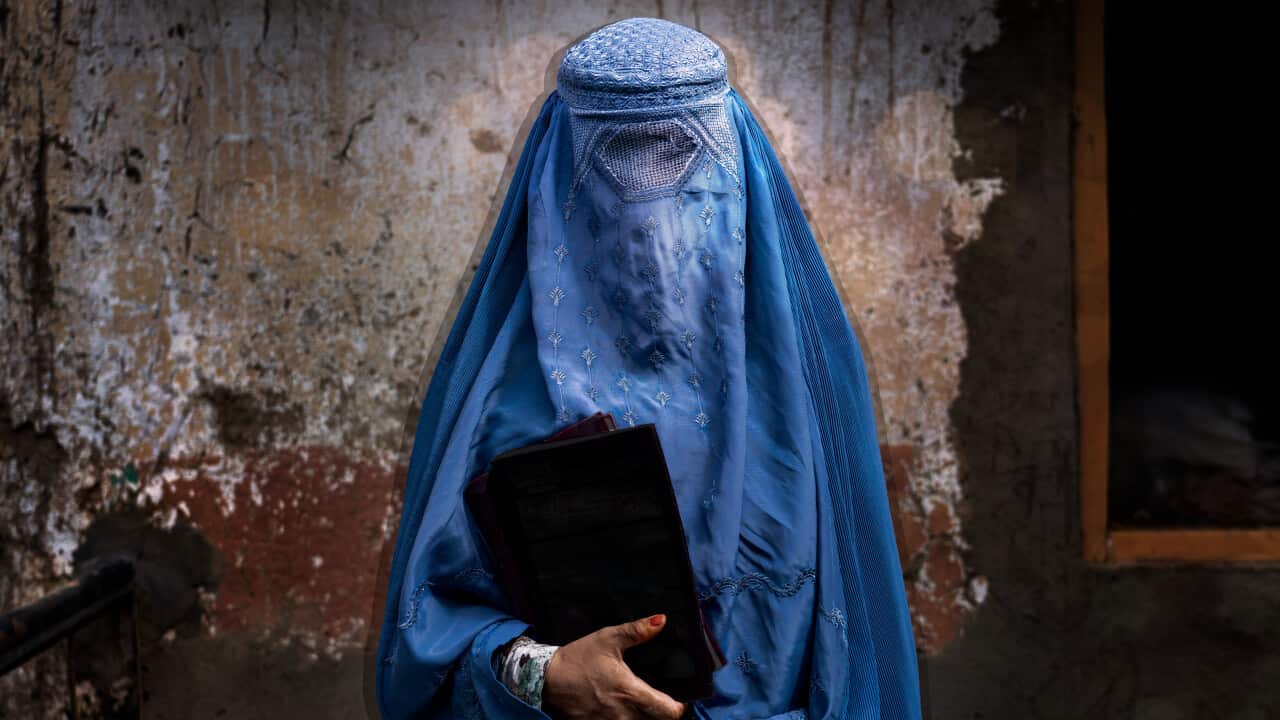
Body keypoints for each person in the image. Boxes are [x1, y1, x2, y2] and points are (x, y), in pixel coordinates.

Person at [375, 17, 922, 720]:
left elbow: (859, 665)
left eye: (682, 164)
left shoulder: (805, 396)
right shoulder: (499, 401)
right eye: (612, 166)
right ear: (556, 177)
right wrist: (545, 674)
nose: (651, 227)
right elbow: (428, 646)